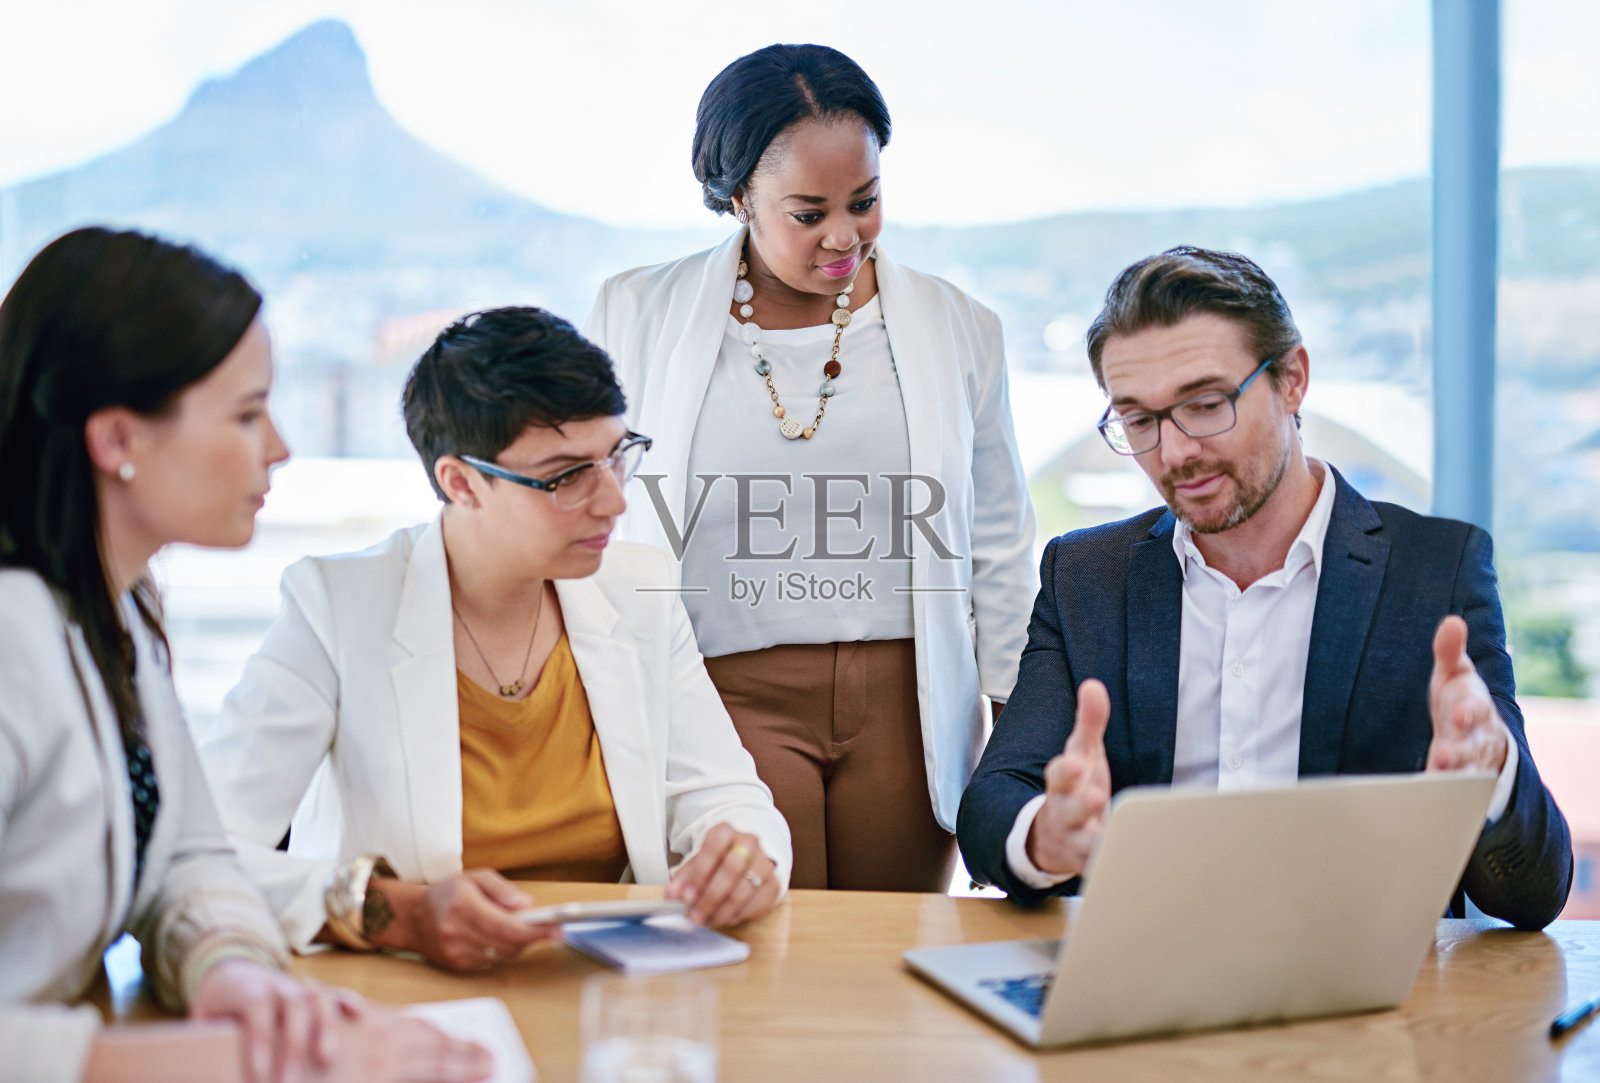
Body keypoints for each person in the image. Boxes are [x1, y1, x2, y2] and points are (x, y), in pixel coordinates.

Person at [957, 246, 1573, 930]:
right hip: (1137, 966)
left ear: (1292, 380)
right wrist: (1049, 833)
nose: (1175, 452)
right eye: (1139, 420)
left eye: (1205, 404)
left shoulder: (1435, 570)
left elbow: (1535, 892)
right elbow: (993, 803)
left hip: (1361, 975)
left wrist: (1492, 773)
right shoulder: (1085, 575)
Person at [0, 228, 489, 1083]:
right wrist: (237, 1062)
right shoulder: (14, 639)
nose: (279, 447)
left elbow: (186, 852)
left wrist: (228, 966)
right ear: (117, 438)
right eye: (246, 412)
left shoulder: (112, 609)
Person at [198, 307, 791, 972]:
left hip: (610, 980)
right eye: (567, 476)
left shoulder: (638, 589)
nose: (614, 501)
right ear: (460, 482)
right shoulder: (336, 606)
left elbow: (728, 798)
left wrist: (744, 856)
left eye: (616, 457)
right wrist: (396, 914)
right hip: (410, 982)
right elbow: (203, 850)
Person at [584, 44, 1037, 892]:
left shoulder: (959, 325)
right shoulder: (636, 312)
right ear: (737, 197)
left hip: (908, 709)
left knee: (889, 951)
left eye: (865, 202)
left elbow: (1000, 537)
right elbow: (594, 516)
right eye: (808, 212)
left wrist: (1019, 734)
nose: (843, 237)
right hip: (720, 700)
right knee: (765, 947)